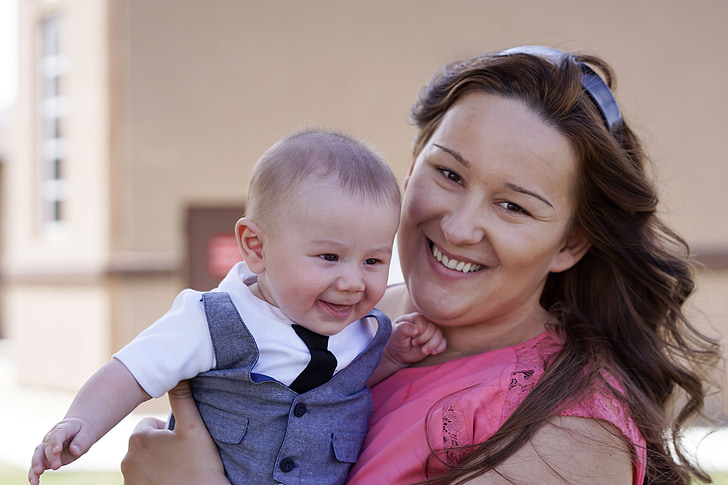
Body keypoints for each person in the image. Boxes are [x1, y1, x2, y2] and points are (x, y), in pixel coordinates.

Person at [121, 46, 722, 485]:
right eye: (449, 174)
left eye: (513, 205)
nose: (458, 226)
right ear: (411, 169)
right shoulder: (346, 319)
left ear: (571, 244)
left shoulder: (571, 439)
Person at [28, 129, 447, 485]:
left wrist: (392, 356)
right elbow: (130, 373)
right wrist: (80, 423)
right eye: (329, 258)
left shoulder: (366, 333)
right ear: (256, 247)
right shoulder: (210, 320)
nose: (353, 281)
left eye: (373, 261)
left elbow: (349, 380)